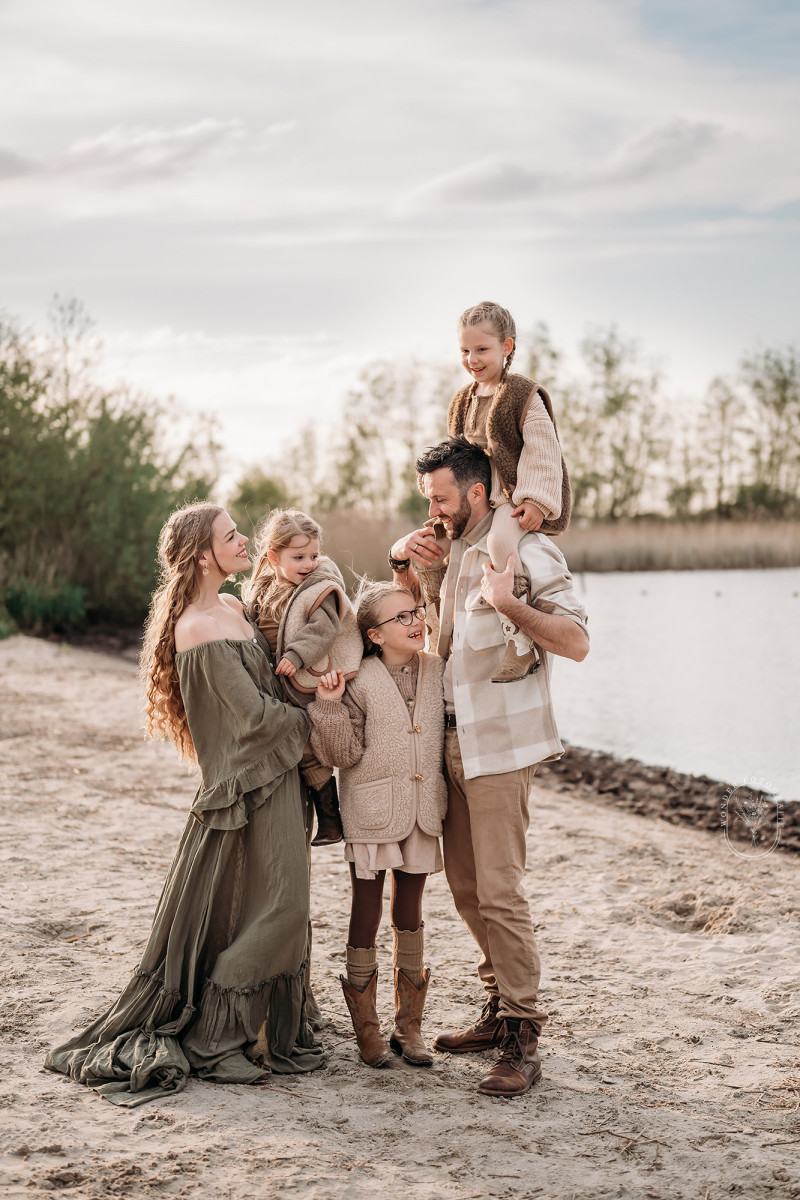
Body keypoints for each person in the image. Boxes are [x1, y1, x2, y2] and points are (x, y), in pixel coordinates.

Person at [45, 502, 326, 1106]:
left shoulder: (231, 606)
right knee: (283, 905)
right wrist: (316, 721)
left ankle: (258, 1033)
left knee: (258, 907)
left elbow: (274, 674)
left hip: (276, 778)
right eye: (231, 536)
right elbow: (250, 719)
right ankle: (213, 1040)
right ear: (204, 555)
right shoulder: (198, 626)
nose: (244, 539)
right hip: (249, 784)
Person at [388, 437, 588, 1097]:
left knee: (501, 892)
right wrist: (417, 574)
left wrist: (510, 605)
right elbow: (436, 652)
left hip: (500, 753)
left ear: (477, 492)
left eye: (441, 498)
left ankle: (523, 1036)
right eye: (428, 500)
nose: (433, 510)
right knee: (468, 890)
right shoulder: (453, 558)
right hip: (447, 748)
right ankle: (497, 1006)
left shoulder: (528, 553)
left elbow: (578, 641)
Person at [307, 581, 446, 1069]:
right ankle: (366, 1030)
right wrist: (328, 705)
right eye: (402, 618)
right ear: (374, 634)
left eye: (417, 612)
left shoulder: (437, 670)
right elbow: (341, 755)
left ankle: (409, 1028)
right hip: (371, 813)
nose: (416, 623)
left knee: (409, 911)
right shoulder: (359, 679)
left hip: (422, 811)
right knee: (366, 912)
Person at [447, 300, 572, 683]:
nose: (472, 358)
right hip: (475, 499)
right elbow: (454, 456)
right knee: (441, 550)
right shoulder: (462, 400)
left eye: (482, 349)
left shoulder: (522, 395)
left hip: (510, 497)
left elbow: (543, 452)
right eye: (465, 350)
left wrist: (536, 500)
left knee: (502, 543)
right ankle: (443, 641)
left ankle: (520, 642)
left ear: (507, 347)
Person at [242, 508, 362, 846]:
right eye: (299, 557)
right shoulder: (261, 590)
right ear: (274, 557)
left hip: (299, 681)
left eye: (314, 555)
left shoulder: (317, 589)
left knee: (307, 748)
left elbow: (323, 629)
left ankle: (330, 819)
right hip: (269, 682)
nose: (309, 563)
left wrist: (296, 655)